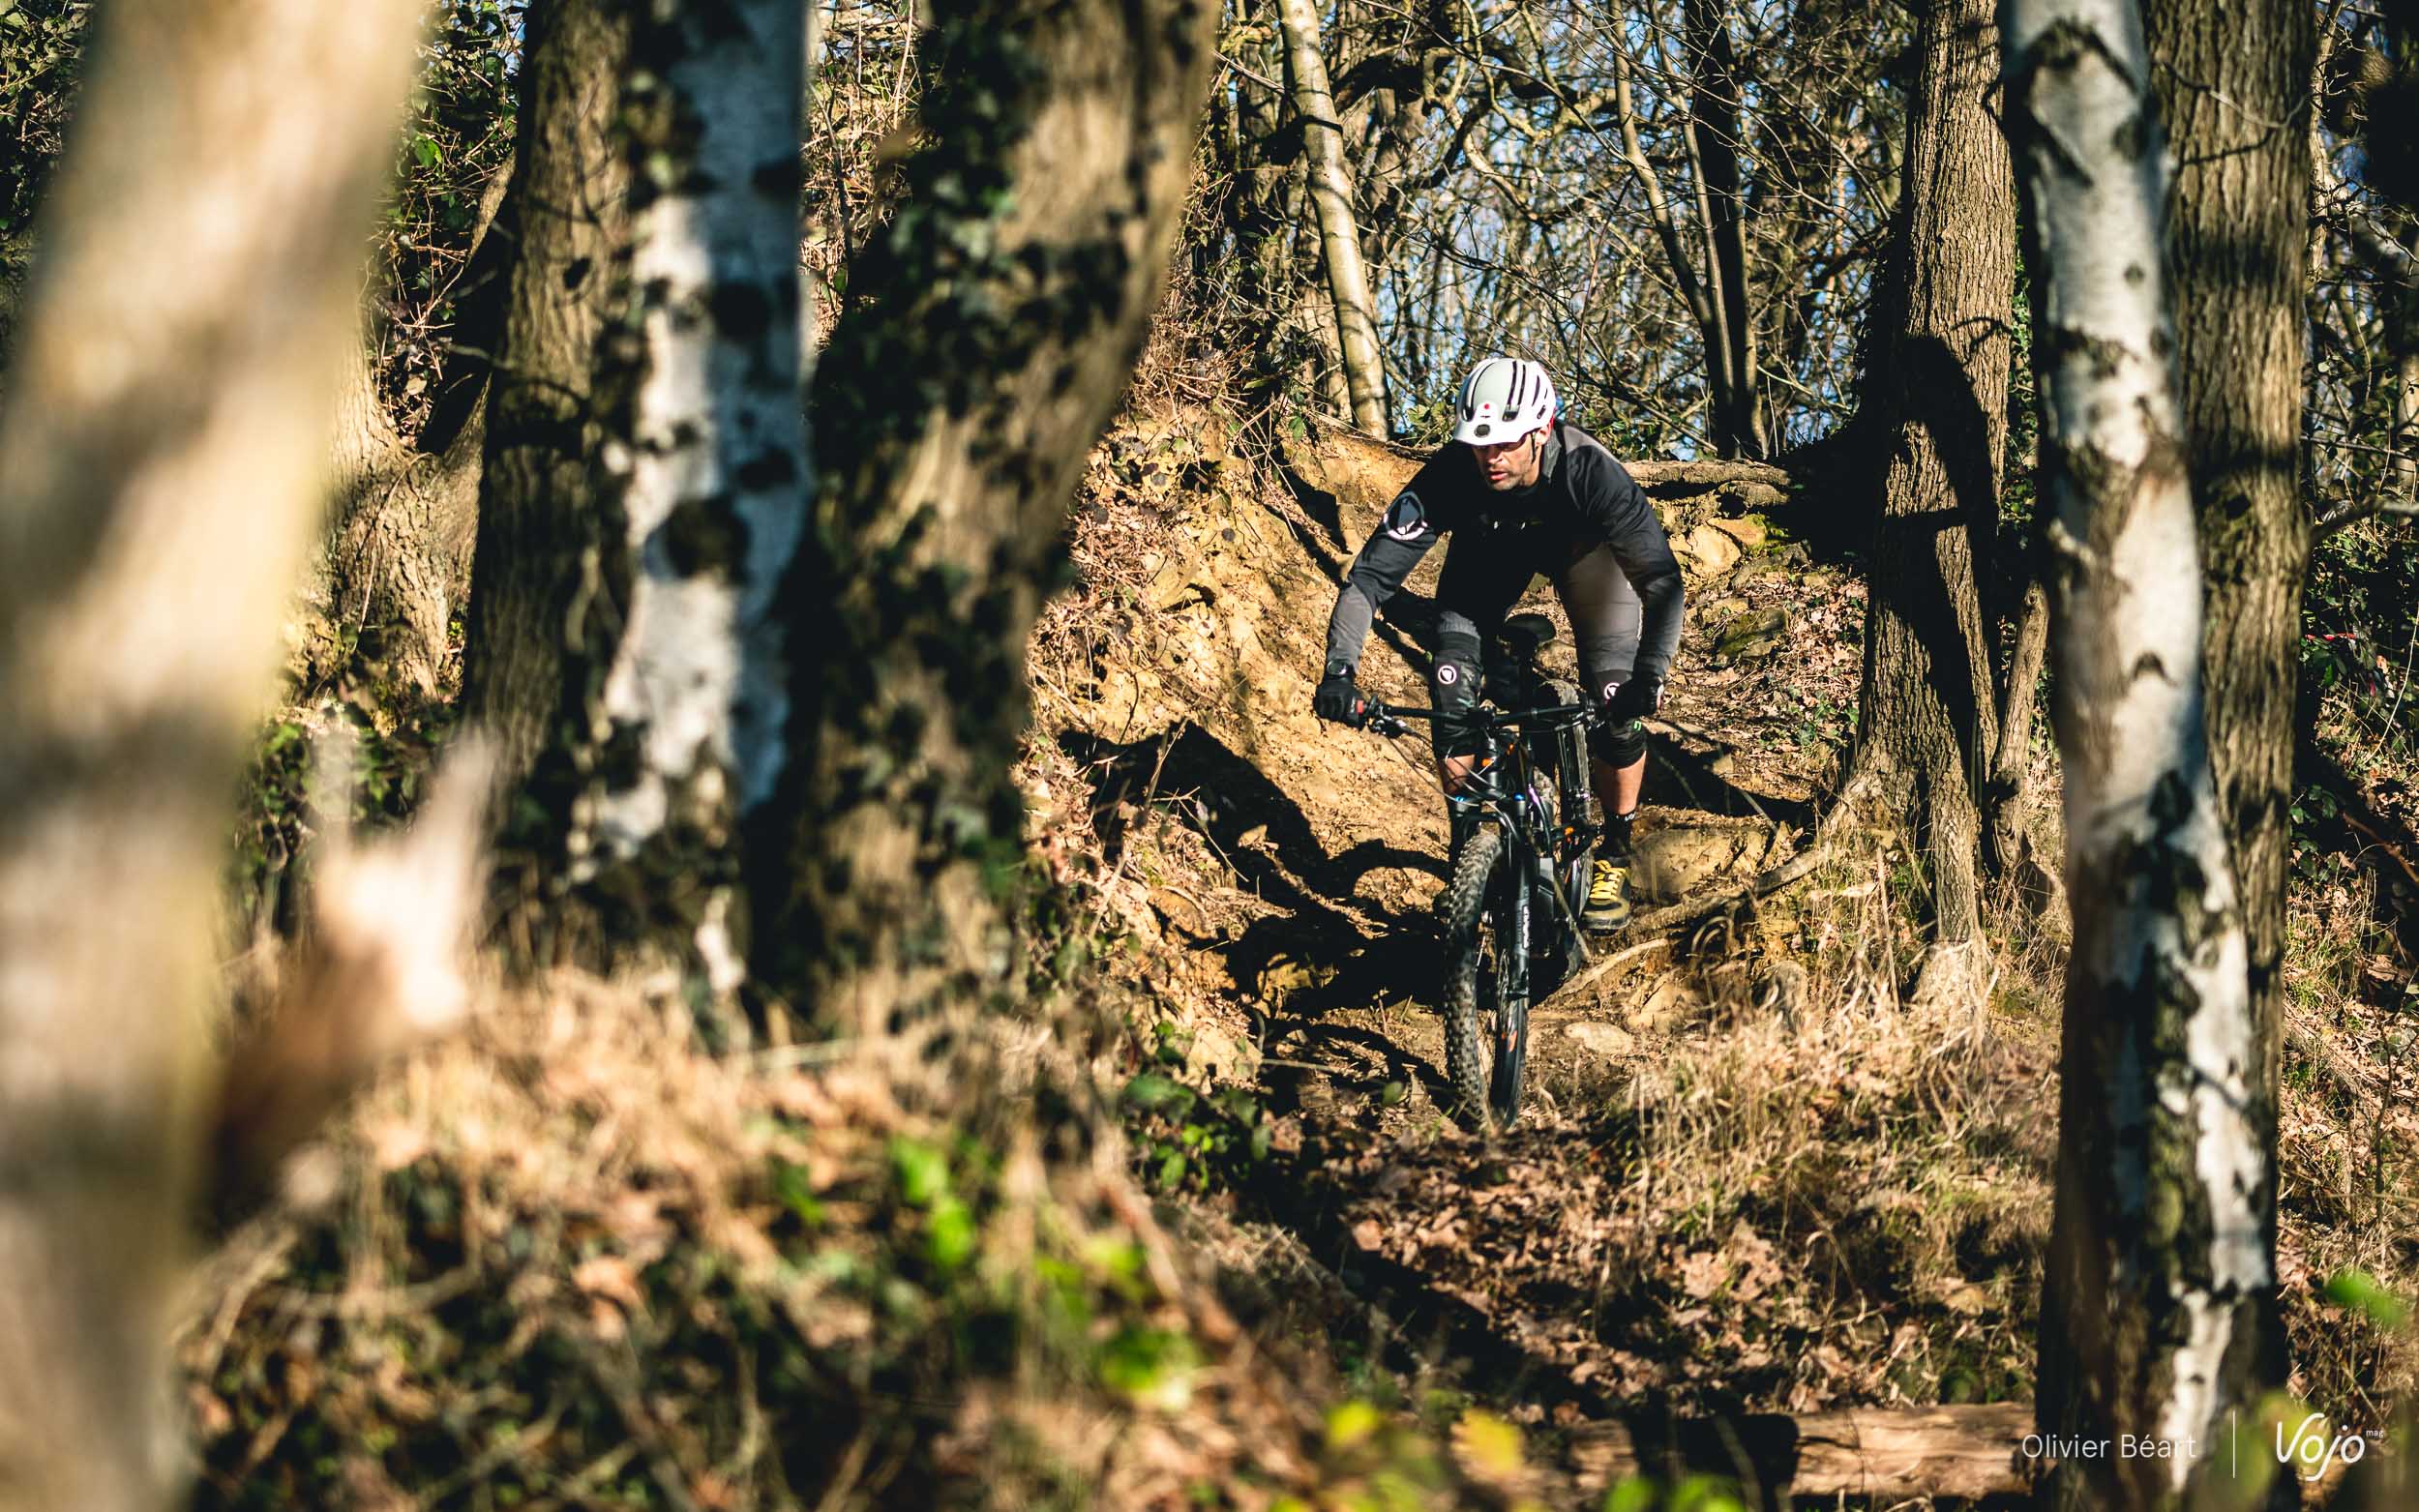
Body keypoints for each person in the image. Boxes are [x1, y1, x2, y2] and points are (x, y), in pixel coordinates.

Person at [1311, 357, 1685, 931]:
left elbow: (1661, 583)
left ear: (1541, 431)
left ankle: (1615, 850)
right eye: (1479, 444)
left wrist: (1650, 676)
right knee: (1449, 686)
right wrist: (1340, 671)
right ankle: (1468, 850)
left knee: (1615, 697)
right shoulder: (1453, 472)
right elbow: (1369, 580)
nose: (1491, 457)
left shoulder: (1590, 470)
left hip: (1587, 558)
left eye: (1505, 443)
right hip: (1491, 552)